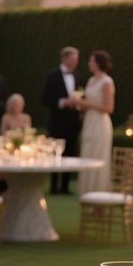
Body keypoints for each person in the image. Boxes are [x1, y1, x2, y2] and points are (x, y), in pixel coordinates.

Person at [42, 46, 81, 194]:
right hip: (57, 122)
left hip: (73, 121)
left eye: (76, 59)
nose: (75, 62)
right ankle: (53, 186)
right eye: (73, 59)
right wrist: (62, 102)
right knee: (55, 153)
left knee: (70, 153)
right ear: (64, 58)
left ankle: (65, 186)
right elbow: (45, 99)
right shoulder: (52, 75)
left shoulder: (76, 76)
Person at [76, 50, 115, 194]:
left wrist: (87, 104)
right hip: (89, 122)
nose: (89, 63)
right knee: (87, 154)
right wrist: (81, 104)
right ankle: (87, 194)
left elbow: (109, 107)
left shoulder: (107, 82)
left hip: (100, 124)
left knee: (99, 158)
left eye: (91, 61)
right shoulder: (91, 81)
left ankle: (99, 197)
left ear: (98, 63)